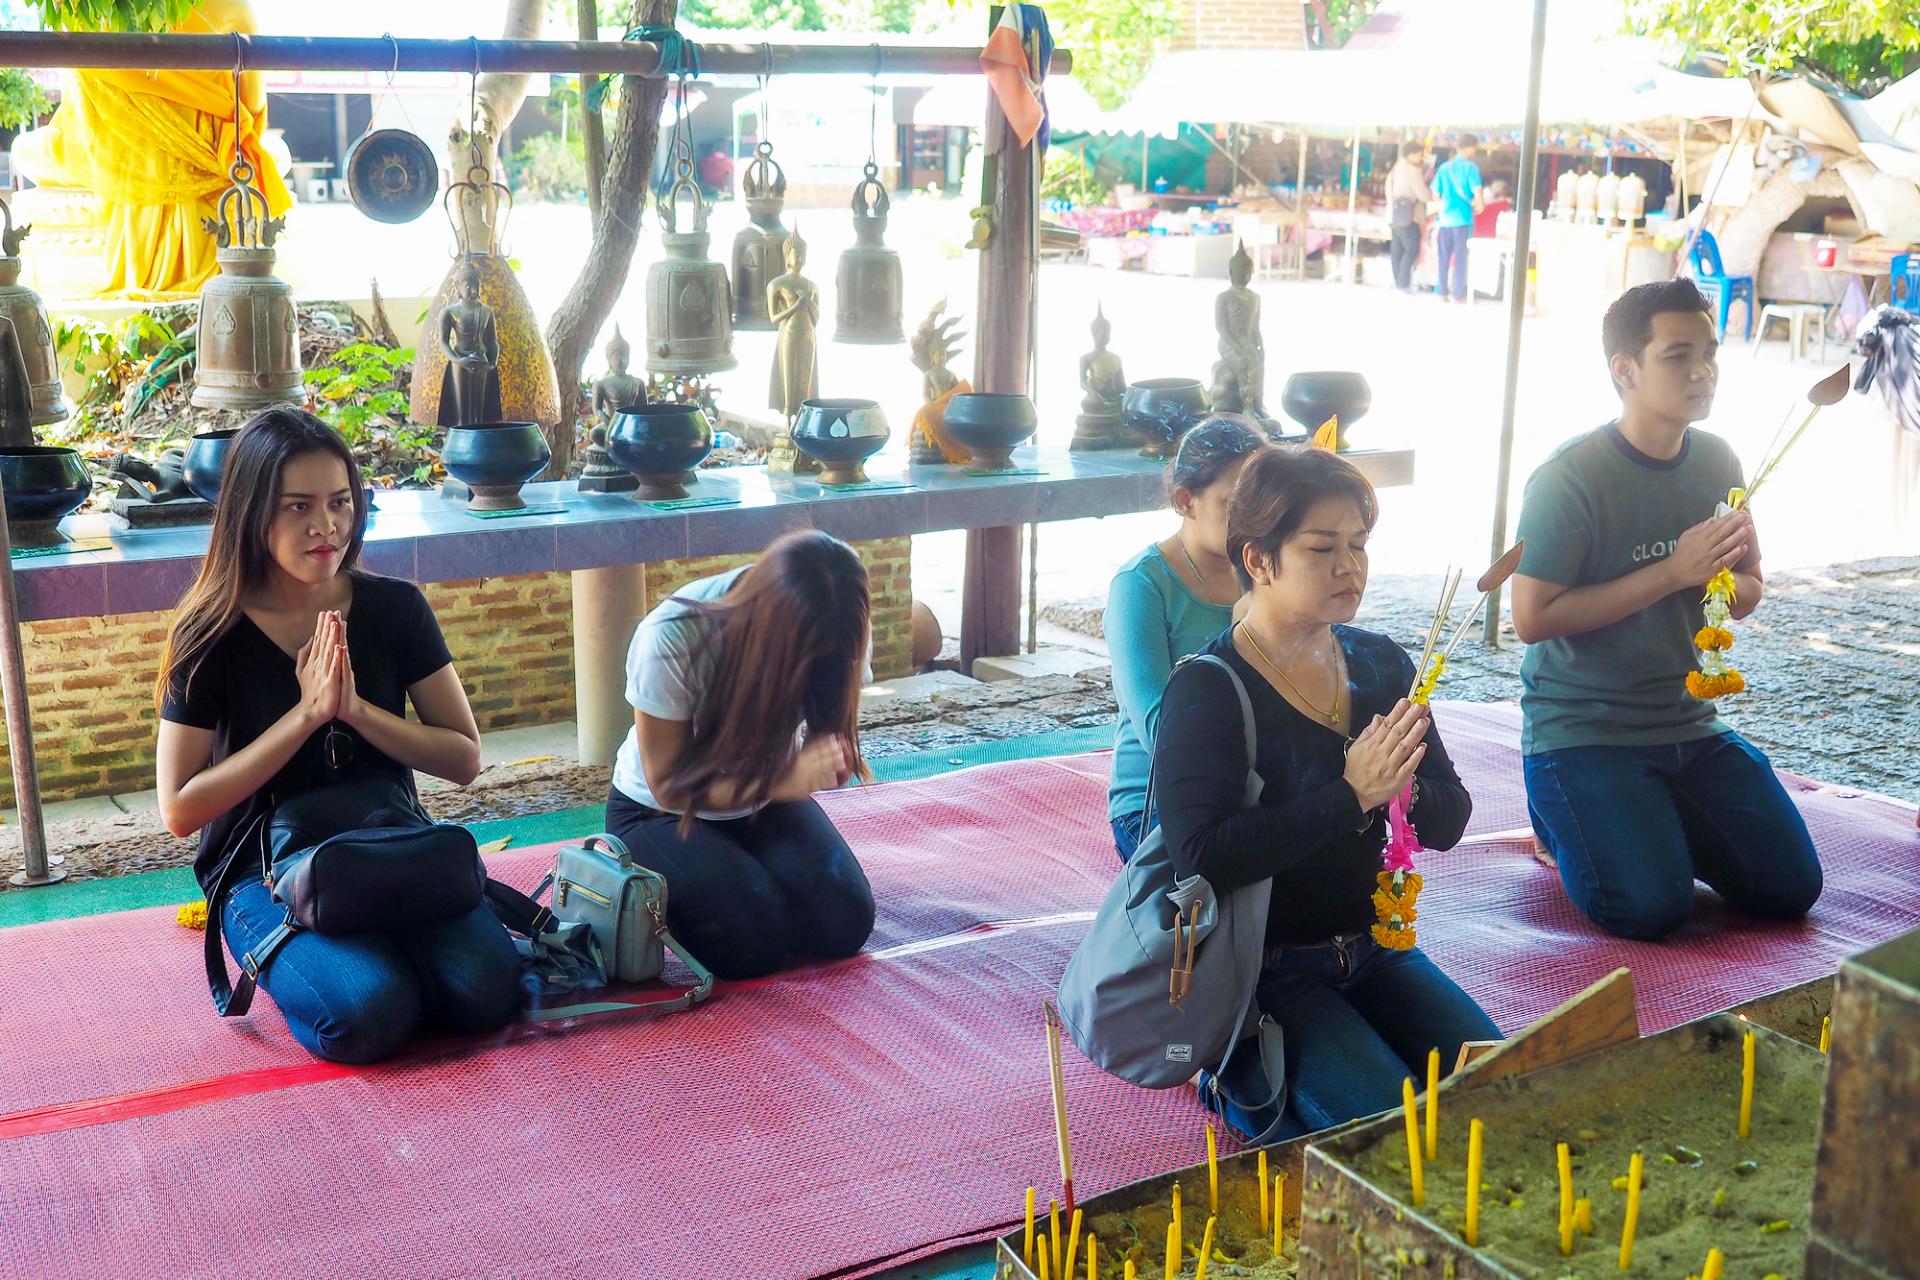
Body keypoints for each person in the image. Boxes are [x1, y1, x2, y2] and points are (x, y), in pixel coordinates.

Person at [1154, 446, 1498, 1137]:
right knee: (1392, 1138)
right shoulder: (1210, 686)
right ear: (1258, 559)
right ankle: (1235, 1071)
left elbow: (1450, 817)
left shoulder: (1377, 661)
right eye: (1322, 547)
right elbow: (1202, 856)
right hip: (1264, 969)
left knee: (1504, 1093)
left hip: (1377, 946)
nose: (1350, 567)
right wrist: (1351, 795)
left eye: (1359, 544)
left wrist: (1401, 791)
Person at [156, 408, 518, 1064]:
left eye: (340, 503)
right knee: (368, 1013)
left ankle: (393, 962)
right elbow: (181, 808)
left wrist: (355, 711)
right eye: (298, 507)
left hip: (388, 845)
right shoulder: (209, 634)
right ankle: (359, 966)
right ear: (250, 513)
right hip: (261, 873)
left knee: (491, 994)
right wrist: (305, 717)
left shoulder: (395, 608)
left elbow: (463, 758)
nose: (326, 527)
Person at [1510, 281, 1823, 940]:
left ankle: (1649, 818)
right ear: (1625, 370)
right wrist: (1671, 573)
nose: (1703, 371)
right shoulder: (1570, 476)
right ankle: (1564, 813)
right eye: (1678, 355)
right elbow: (1531, 617)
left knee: (1790, 888)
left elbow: (1750, 588)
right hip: (1584, 731)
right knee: (1649, 908)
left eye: (1709, 353)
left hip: (1689, 723)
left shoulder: (1719, 459)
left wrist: (1716, 583)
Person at [605, 530, 878, 980]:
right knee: (752, 945)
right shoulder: (672, 636)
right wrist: (785, 781)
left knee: (845, 922)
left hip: (764, 801)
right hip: (659, 812)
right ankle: (739, 888)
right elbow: (668, 782)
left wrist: (826, 758)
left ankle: (748, 879)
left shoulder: (838, 622)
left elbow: (825, 729)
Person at [1106, 416, 1271, 859]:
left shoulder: (1270, 569)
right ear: (1185, 500)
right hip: (1160, 800)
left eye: (1262, 502)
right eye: (1234, 504)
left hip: (1260, 781)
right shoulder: (1141, 585)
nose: (1253, 521)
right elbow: (1161, 731)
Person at [1431, 136, 1485, 304]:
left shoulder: (1444, 168)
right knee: (1461, 258)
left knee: (1443, 257)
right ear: (1469, 148)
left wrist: (1446, 205)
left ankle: (1441, 293)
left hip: (1445, 219)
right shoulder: (1470, 168)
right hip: (1462, 220)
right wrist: (1480, 206)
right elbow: (1477, 193)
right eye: (1475, 148)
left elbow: (1435, 195)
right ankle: (1458, 295)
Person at [1385, 142, 1433, 294]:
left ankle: (1399, 281)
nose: (1420, 157)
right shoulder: (1411, 170)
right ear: (1410, 155)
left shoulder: (1395, 168)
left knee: (1397, 249)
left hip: (1393, 214)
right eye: (1419, 154)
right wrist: (1432, 195)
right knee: (1412, 249)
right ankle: (1403, 283)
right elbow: (1423, 195)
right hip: (1408, 215)